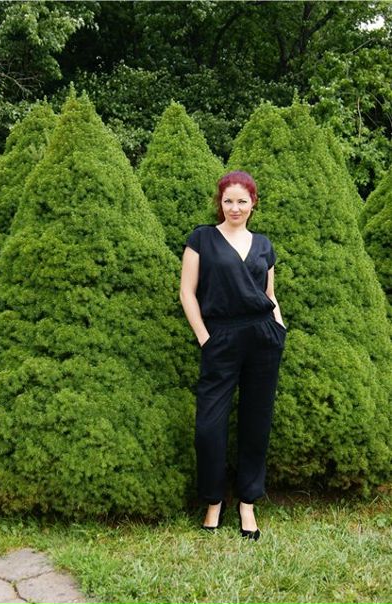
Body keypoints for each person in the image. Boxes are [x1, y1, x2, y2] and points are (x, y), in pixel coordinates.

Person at [180, 170, 287, 540]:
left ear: (253, 203)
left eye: (242, 201)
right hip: (220, 337)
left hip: (262, 338)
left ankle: (247, 504)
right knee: (208, 427)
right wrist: (205, 338)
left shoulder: (264, 245)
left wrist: (278, 328)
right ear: (220, 202)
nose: (235, 208)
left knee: (256, 423)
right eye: (229, 200)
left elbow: (269, 295)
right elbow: (187, 292)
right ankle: (213, 501)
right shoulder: (202, 239)